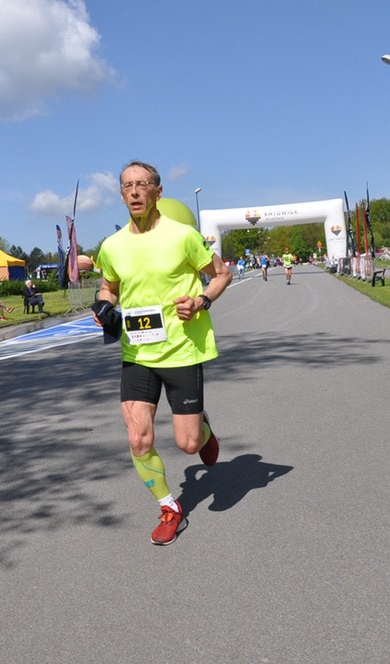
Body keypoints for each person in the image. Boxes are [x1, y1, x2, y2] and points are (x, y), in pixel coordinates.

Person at [94, 160, 232, 546]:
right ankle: (170, 507)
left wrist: (201, 300)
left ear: (158, 191)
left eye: (142, 184)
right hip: (137, 353)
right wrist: (102, 305)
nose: (135, 191)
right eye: (127, 185)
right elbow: (108, 287)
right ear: (121, 194)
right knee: (138, 438)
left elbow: (222, 274)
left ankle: (202, 429)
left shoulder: (182, 236)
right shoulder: (112, 246)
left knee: (188, 445)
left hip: (182, 350)